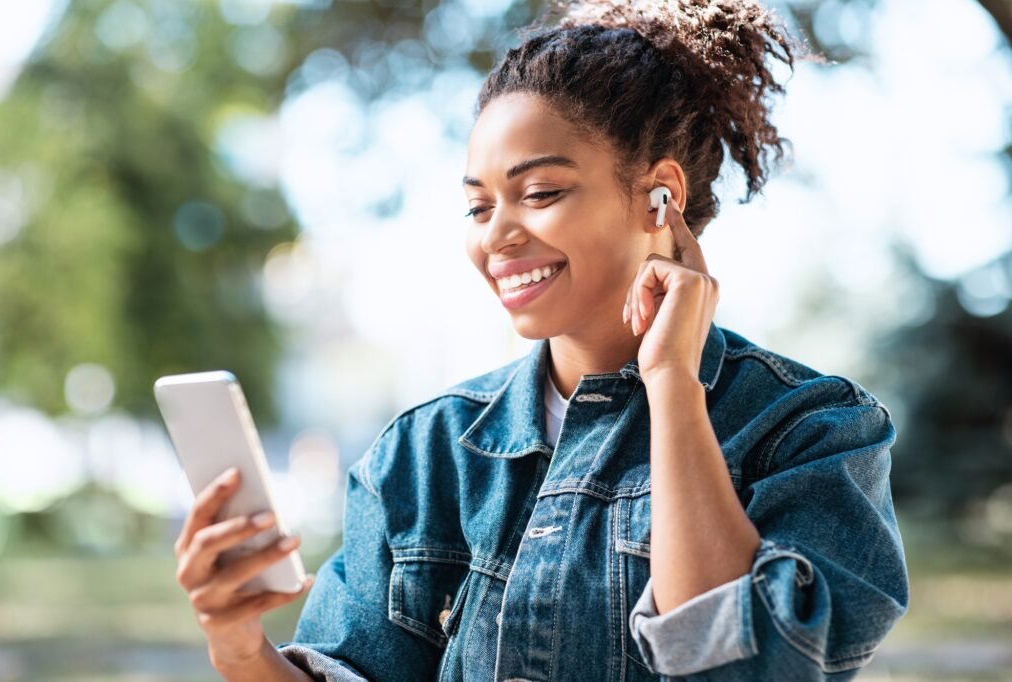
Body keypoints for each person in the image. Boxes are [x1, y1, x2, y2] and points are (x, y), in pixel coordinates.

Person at [173, 0, 910, 680]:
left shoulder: (811, 432)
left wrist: (674, 387)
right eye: (478, 205)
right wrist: (238, 643)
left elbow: (742, 671)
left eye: (541, 193)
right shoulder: (425, 457)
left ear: (663, 196)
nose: (497, 234)